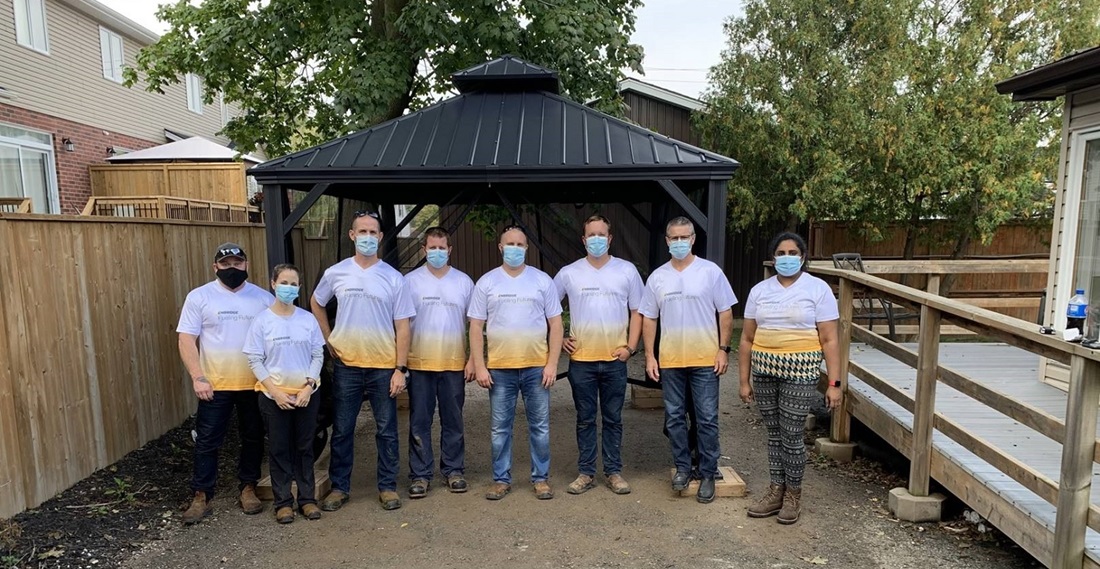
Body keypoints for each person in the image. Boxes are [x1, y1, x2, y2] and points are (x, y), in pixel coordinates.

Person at [311, 210, 416, 512]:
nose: (368, 237)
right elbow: (316, 303)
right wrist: (327, 337)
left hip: (384, 365)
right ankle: (339, 487)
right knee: (343, 429)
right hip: (348, 365)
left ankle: (387, 487)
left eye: (373, 233)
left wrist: (400, 368)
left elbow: (403, 325)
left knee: (386, 429)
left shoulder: (393, 278)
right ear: (352, 235)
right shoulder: (336, 273)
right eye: (362, 232)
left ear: (381, 237)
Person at [740, 231, 842, 524]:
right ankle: (775, 491)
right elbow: (746, 338)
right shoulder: (760, 291)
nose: (786, 258)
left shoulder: (818, 289)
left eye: (792, 253)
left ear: (803, 256)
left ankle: (793, 495)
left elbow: (831, 340)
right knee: (773, 434)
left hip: (800, 373)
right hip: (764, 372)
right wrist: (744, 380)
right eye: (781, 254)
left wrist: (834, 384)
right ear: (773, 259)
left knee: (792, 434)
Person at [640, 217, 736, 504]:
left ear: (693, 239)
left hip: (706, 358)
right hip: (670, 360)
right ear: (666, 241)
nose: (679, 242)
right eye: (673, 238)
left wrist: (723, 349)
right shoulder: (658, 277)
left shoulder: (710, 272)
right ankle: (683, 467)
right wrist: (649, 355)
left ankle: (707, 472)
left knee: (706, 419)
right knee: (674, 418)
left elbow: (726, 312)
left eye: (684, 237)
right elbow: (649, 318)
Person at [177, 243, 273, 524]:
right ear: (215, 267)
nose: (232, 268)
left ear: (246, 265)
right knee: (207, 441)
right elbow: (186, 339)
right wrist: (198, 377)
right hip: (214, 385)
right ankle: (201, 495)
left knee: (253, 438)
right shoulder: (199, 298)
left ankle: (248, 487)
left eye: (237, 263)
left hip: (254, 384)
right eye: (226, 263)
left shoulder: (263, 299)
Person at [469, 224, 564, 501]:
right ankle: (501, 479)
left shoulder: (541, 280)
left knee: (541, 426)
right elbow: (476, 327)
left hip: (537, 367)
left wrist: (552, 364)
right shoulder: (487, 282)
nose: (514, 248)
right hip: (499, 369)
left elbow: (555, 324)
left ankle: (541, 479)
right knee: (500, 428)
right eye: (509, 244)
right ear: (500, 248)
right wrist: (480, 365)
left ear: (526, 248)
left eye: (519, 244)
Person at [554, 214, 643, 495]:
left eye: (601, 234)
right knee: (585, 418)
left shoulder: (627, 271)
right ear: (583, 240)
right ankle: (586, 472)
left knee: (614, 418)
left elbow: (638, 310)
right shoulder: (569, 273)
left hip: (615, 360)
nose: (596, 239)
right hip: (581, 361)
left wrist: (630, 347)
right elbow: (547, 307)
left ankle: (614, 472)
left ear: (610, 238)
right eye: (591, 235)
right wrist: (559, 340)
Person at [243, 264, 325, 524]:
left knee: (305, 448)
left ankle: (307, 500)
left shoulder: (307, 319)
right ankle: (283, 503)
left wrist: (309, 386)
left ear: (299, 288)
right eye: (284, 282)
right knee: (279, 450)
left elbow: (317, 354)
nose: (289, 288)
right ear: (273, 284)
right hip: (273, 397)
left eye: (294, 284)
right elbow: (255, 360)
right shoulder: (262, 321)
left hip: (306, 396)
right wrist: (275, 392)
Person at [405, 227, 476, 498]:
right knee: (419, 421)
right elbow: (400, 324)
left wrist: (472, 360)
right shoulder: (409, 282)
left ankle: (454, 470)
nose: (436, 253)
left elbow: (475, 323)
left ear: (450, 250)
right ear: (423, 250)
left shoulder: (464, 282)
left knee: (453, 419)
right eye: (431, 248)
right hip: (420, 363)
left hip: (454, 363)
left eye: (441, 248)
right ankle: (420, 475)